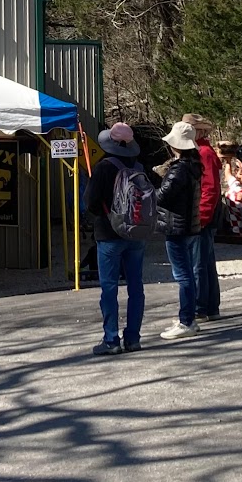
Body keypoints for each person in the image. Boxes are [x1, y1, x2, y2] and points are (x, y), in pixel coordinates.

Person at [85, 121, 148, 355]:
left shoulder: (103, 168)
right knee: (136, 286)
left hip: (109, 233)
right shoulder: (140, 166)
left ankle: (111, 339)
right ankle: (133, 337)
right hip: (136, 232)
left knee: (109, 287)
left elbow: (90, 202)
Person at [154, 120, 203, 340]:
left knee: (182, 276)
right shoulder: (194, 166)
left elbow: (162, 197)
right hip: (189, 226)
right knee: (189, 274)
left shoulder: (179, 170)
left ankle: (186, 321)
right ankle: (189, 316)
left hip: (177, 227)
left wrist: (154, 185)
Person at [183, 112, 224, 322]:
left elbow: (209, 188)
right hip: (207, 213)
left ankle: (201, 307)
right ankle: (210, 306)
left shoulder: (203, 153)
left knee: (198, 263)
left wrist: (201, 215)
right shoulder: (204, 151)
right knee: (205, 262)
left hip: (203, 215)